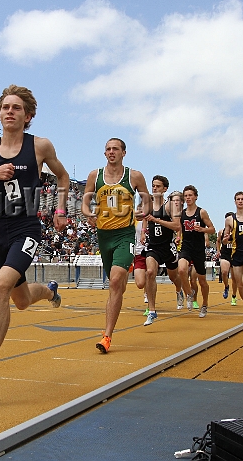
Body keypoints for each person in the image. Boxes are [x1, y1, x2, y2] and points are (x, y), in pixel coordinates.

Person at [0, 85, 69, 393]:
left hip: (26, 228)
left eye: (16, 108)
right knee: (19, 301)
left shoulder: (39, 146)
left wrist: (60, 209)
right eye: (5, 107)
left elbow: (63, 176)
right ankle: (49, 291)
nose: (10, 111)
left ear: (27, 115)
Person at [82, 138, 149, 353]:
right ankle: (117, 298)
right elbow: (85, 202)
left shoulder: (135, 176)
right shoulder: (95, 175)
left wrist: (142, 210)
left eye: (115, 149)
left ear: (124, 153)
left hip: (125, 234)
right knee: (115, 285)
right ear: (105, 153)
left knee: (116, 280)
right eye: (108, 149)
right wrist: (88, 213)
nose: (111, 152)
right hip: (104, 235)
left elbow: (147, 200)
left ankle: (107, 335)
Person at [142, 180, 183, 326]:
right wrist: (142, 231)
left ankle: (179, 290)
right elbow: (144, 218)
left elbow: (177, 226)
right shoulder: (149, 204)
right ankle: (152, 310)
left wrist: (157, 220)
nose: (154, 188)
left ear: (165, 189)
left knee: (174, 276)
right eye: (153, 185)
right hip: (153, 246)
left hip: (167, 246)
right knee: (150, 272)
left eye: (158, 186)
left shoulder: (170, 206)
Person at [177, 185, 216, 318]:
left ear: (195, 197)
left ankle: (204, 304)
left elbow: (212, 229)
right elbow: (179, 229)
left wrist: (202, 229)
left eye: (190, 195)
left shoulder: (201, 212)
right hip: (186, 247)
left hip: (199, 250)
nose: (188, 198)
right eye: (186, 196)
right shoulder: (181, 213)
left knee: (202, 281)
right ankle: (189, 294)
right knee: (181, 269)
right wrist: (177, 237)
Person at [216, 213, 235, 305]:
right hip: (225, 254)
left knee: (235, 278)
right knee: (224, 272)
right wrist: (218, 250)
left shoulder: (237, 231)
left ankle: (234, 296)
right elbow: (218, 241)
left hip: (235, 255)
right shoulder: (221, 231)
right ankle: (226, 286)